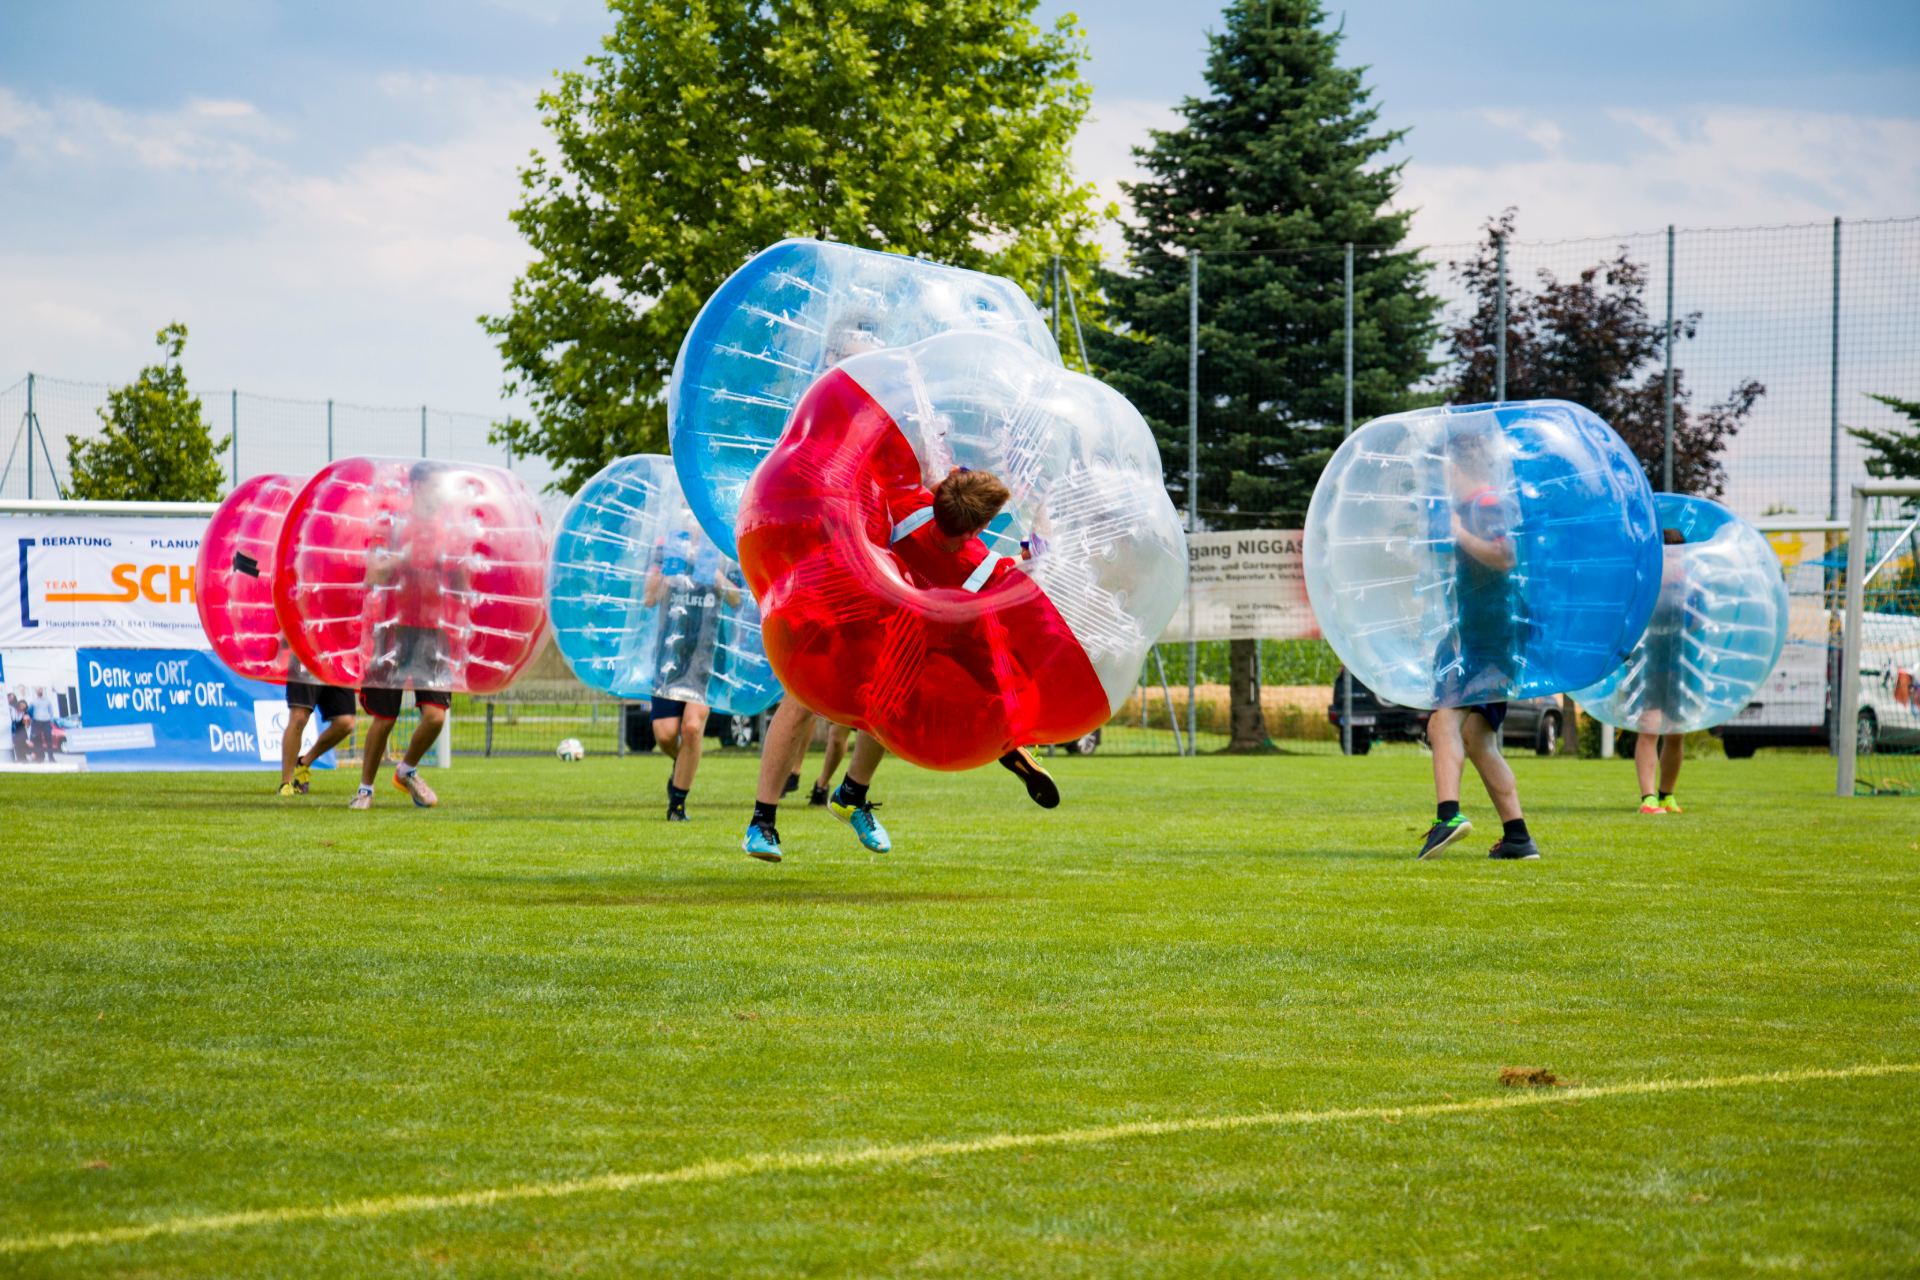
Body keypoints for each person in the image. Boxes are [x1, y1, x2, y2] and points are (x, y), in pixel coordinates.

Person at [741, 468, 1057, 862]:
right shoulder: (982, 566)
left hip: (860, 625)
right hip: (869, 629)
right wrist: (1035, 547)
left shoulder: (910, 503)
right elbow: (1026, 578)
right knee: (876, 699)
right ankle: (851, 794)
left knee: (844, 697)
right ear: (979, 530)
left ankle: (768, 821)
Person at [1420, 430, 1540, 860]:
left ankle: (1448, 816)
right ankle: (1518, 838)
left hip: (1487, 637)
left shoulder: (1485, 504)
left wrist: (1458, 533)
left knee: (1442, 722)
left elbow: (1505, 555)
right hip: (1490, 635)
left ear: (1453, 468)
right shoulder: (1472, 507)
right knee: (1477, 736)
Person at [352, 462, 457, 810]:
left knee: (436, 717)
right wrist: (404, 557)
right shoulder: (393, 525)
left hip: (434, 630)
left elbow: (461, 586)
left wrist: (453, 567)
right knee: (385, 718)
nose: (442, 493)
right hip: (394, 629)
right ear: (418, 486)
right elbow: (372, 573)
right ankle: (365, 790)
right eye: (436, 486)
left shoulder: (447, 530)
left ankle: (406, 770)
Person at [643, 523, 740, 821]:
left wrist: (714, 574)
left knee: (692, 729)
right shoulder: (667, 546)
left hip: (707, 655)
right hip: (670, 655)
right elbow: (648, 599)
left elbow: (737, 599)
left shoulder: (722, 548)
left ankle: (677, 805)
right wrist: (661, 579)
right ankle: (685, 762)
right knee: (666, 735)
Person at [1636, 527, 1690, 814]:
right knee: (1650, 728)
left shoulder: (1687, 590)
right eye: (1671, 556)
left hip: (1678, 670)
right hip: (1650, 670)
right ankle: (1647, 799)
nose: (1675, 561)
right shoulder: (1648, 587)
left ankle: (1666, 795)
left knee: (1676, 734)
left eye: (1679, 556)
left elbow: (1697, 625)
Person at [277, 661, 358, 797]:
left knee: (346, 722)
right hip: (304, 655)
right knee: (299, 717)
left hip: (335, 657)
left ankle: (304, 763)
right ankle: (286, 783)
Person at [28, 684, 58, 763]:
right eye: (36, 690)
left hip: (46, 722)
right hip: (36, 722)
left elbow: (51, 711)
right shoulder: (33, 701)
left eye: (39, 689)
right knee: (38, 740)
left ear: (42, 690)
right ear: (35, 692)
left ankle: (51, 757)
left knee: (49, 740)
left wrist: (49, 719)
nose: (38, 691)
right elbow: (29, 711)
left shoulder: (47, 701)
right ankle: (40, 757)